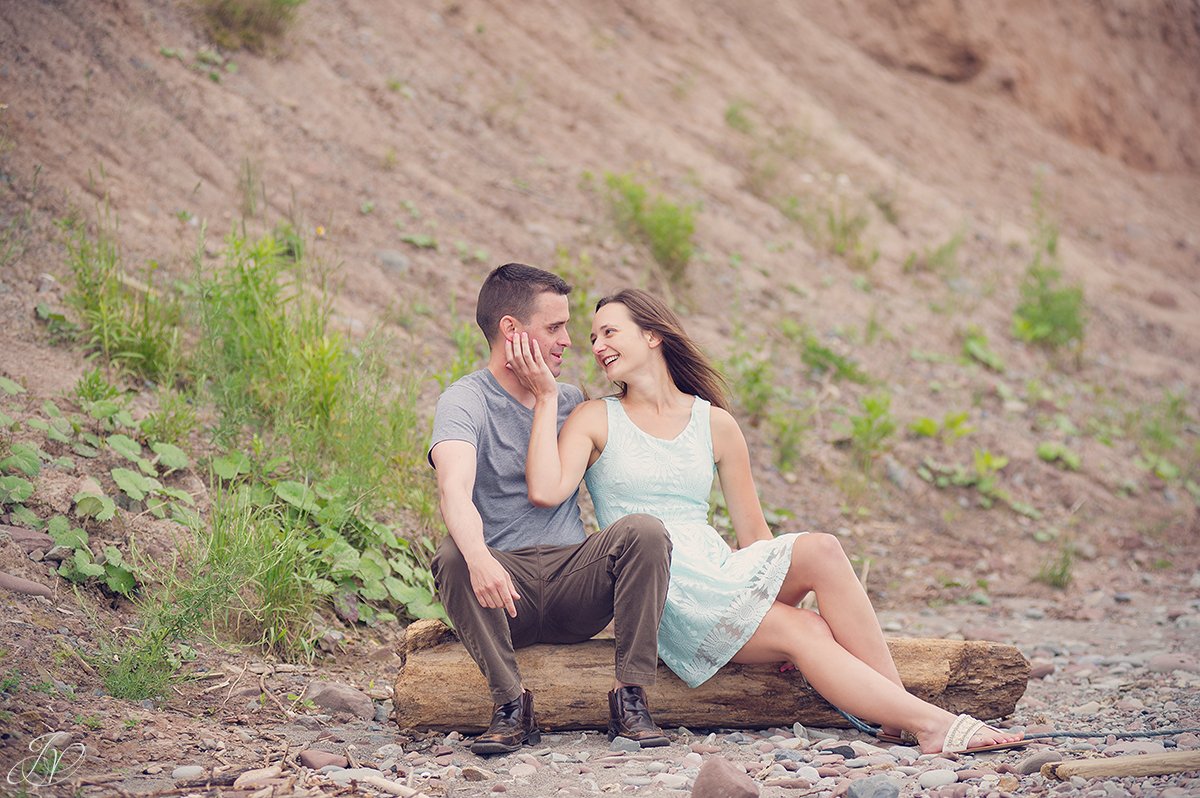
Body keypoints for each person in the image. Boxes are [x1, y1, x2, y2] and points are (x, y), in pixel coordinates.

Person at [507, 287, 1026, 755]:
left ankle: (896, 714)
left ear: (653, 335)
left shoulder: (715, 423)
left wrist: (764, 611)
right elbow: (545, 491)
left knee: (820, 549)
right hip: (663, 586)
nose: (596, 345)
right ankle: (930, 724)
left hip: (717, 570)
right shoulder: (595, 418)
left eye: (609, 332)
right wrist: (546, 399)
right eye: (593, 336)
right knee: (804, 632)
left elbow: (756, 538)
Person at [428, 265, 674, 756]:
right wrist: (479, 558)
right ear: (512, 331)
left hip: (572, 578)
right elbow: (453, 489)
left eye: (567, 327)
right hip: (503, 588)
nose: (567, 340)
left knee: (645, 532)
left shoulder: (570, 401)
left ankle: (631, 698)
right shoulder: (464, 400)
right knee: (453, 555)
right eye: (554, 328)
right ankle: (511, 706)